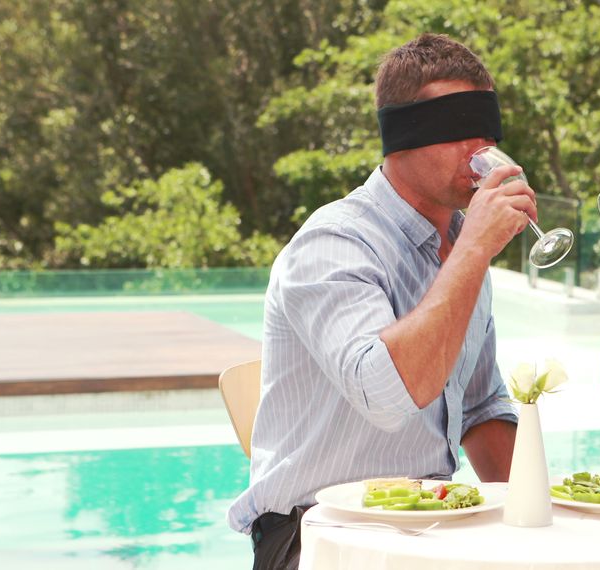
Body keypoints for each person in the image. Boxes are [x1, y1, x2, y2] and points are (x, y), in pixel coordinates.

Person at [228, 33, 534, 569]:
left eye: (486, 130)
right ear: (402, 135)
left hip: (431, 528)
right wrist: (475, 251)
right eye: (458, 129)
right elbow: (387, 397)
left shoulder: (463, 247)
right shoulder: (332, 244)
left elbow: (483, 408)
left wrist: (538, 511)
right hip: (315, 534)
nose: (480, 151)